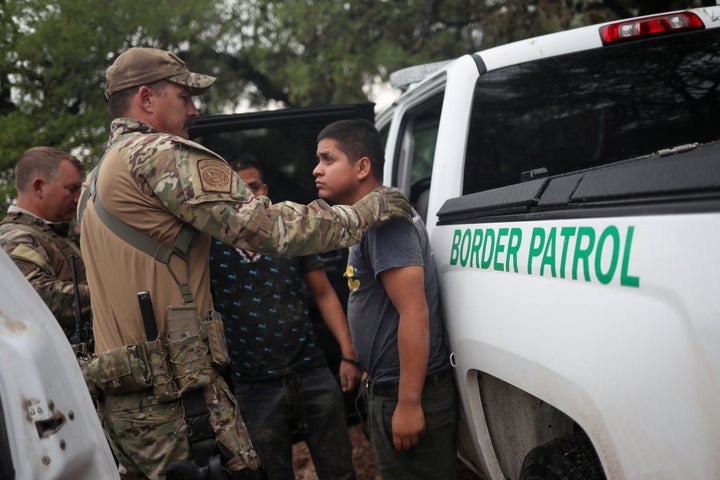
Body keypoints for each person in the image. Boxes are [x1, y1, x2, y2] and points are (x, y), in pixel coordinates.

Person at [78, 47, 411, 480]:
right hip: (176, 405)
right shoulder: (159, 154)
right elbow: (268, 228)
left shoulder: (96, 178)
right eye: (184, 97)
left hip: (128, 405)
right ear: (146, 98)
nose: (195, 110)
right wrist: (368, 210)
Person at [313, 119, 458, 480]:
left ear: (363, 166)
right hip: (389, 388)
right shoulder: (368, 218)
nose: (316, 170)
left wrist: (409, 404)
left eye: (328, 159)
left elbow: (414, 314)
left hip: (407, 394)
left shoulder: (385, 223)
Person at [210, 155, 361, 480]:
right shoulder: (211, 246)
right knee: (272, 474)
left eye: (253, 186)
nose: (248, 195)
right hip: (254, 384)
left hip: (311, 370)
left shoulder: (287, 236)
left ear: (264, 189)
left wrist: (349, 354)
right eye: (239, 189)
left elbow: (324, 294)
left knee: (340, 472)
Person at [0, 147, 91, 345]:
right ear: (39, 187)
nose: (78, 198)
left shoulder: (51, 234)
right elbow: (35, 296)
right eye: (71, 189)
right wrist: (109, 296)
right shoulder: (17, 236)